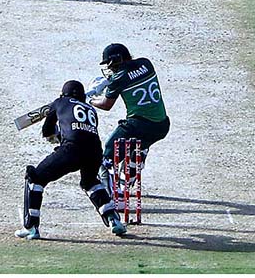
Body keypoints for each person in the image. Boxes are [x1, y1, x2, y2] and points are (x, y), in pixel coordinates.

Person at [16, 80, 127, 240]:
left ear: (63, 94)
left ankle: (31, 227)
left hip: (72, 149)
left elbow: (47, 130)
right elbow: (80, 130)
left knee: (35, 177)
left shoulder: (59, 102)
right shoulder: (90, 109)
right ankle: (114, 220)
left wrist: (55, 136)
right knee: (90, 182)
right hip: (95, 151)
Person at [87, 44, 171, 196]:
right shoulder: (146, 63)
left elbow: (106, 104)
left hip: (138, 124)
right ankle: (136, 160)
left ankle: (112, 194)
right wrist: (111, 81)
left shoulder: (118, 79)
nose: (109, 68)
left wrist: (90, 99)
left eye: (110, 65)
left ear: (117, 60)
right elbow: (127, 75)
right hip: (162, 126)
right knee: (138, 144)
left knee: (107, 155)